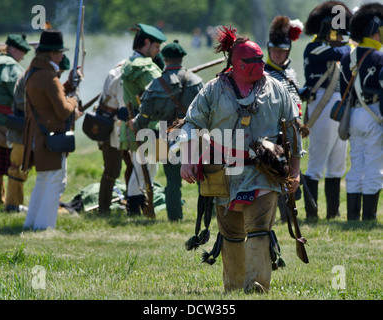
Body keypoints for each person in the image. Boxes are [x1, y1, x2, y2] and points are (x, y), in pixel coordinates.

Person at [180, 26, 303, 293]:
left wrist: (295, 169)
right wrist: (188, 158)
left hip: (264, 171)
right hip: (224, 171)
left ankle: (257, 285)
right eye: (252, 61)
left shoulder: (277, 89)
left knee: (259, 227)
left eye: (261, 60)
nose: (259, 65)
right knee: (232, 233)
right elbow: (191, 124)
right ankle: (234, 288)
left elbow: (293, 129)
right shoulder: (213, 90)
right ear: (236, 64)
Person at [129, 40, 203, 221]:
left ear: (165, 59)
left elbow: (143, 119)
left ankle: (175, 219)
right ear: (181, 58)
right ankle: (207, 215)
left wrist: (134, 123)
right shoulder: (197, 82)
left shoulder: (155, 85)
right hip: (196, 136)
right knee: (204, 180)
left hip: (167, 136)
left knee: (172, 183)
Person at [22, 29, 80, 231]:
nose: (63, 56)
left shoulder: (35, 71)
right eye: (60, 53)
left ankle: (32, 223)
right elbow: (63, 110)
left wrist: (68, 84)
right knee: (55, 181)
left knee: (43, 180)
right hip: (51, 136)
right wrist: (73, 99)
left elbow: (49, 99)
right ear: (53, 54)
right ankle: (44, 226)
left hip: (40, 135)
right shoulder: (48, 76)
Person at [302, 1, 353, 220]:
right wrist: (347, 41)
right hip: (321, 105)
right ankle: (312, 214)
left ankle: (333, 212)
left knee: (337, 163)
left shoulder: (335, 47)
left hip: (338, 104)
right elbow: (343, 52)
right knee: (316, 164)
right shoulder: (315, 47)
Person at [5, 54, 71, 213]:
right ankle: (12, 205)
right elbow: (23, 102)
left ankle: (52, 205)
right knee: (17, 169)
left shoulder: (45, 78)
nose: (58, 75)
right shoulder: (32, 76)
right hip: (23, 130)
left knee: (50, 170)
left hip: (39, 131)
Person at [339, 3, 383, 221]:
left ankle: (353, 216)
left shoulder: (348, 56)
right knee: (374, 164)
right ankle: (369, 216)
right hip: (373, 112)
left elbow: (342, 90)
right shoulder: (378, 57)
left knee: (356, 164)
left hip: (353, 115)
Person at [118, 23, 166, 216]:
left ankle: (138, 206)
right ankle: (135, 209)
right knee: (143, 169)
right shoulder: (146, 68)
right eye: (155, 47)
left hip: (139, 125)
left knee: (144, 168)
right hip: (147, 125)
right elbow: (163, 91)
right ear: (145, 43)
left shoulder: (131, 64)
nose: (157, 52)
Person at [264, 16, 305, 222]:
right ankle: (282, 215)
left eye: (282, 51)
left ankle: (290, 214)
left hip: (293, 129)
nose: (278, 54)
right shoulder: (264, 73)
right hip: (275, 130)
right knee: (278, 172)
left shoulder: (290, 72)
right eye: (275, 50)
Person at [0, 34, 31, 206]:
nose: (23, 57)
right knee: (13, 166)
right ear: (14, 50)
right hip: (2, 124)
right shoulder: (10, 67)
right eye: (22, 52)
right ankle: (11, 203)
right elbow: (22, 94)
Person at [97, 59, 126, 214]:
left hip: (117, 129)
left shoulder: (116, 73)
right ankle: (103, 210)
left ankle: (131, 204)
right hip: (110, 129)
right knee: (112, 170)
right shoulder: (119, 75)